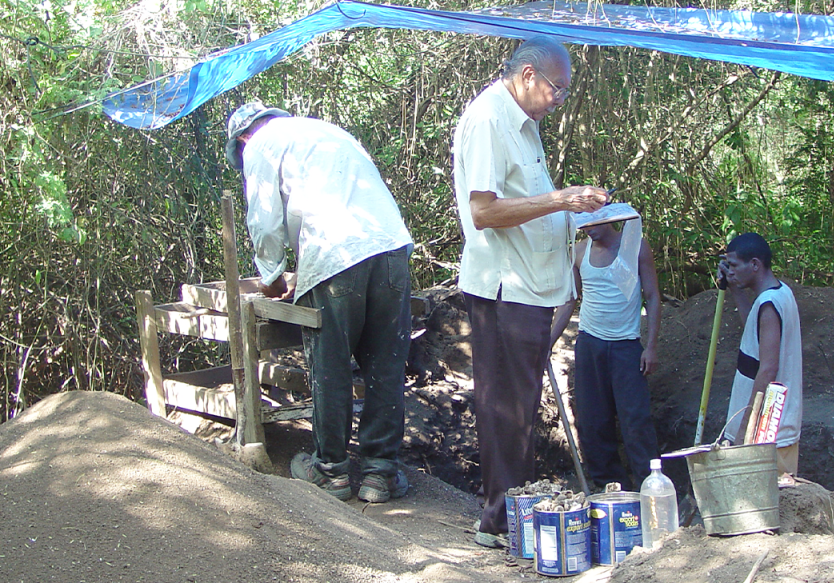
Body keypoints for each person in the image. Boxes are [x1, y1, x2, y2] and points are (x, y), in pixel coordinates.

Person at [451, 36, 608, 548]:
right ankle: (499, 522)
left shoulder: (525, 122)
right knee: (504, 407)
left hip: (532, 286)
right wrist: (560, 198)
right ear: (526, 76)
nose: (558, 100)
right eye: (556, 90)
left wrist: (571, 209)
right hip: (504, 287)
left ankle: (514, 513)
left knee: (519, 404)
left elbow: (526, 201)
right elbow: (484, 212)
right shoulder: (489, 120)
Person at [225, 102, 413, 503]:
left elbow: (264, 220)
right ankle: (381, 473)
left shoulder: (259, 145)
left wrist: (272, 278)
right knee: (385, 364)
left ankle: (331, 471)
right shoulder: (327, 131)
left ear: (243, 139)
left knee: (330, 364)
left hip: (334, 255)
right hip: (391, 247)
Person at [550, 206, 661, 492]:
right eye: (583, 224)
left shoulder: (635, 247)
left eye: (594, 222)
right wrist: (546, 344)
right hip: (590, 343)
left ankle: (650, 487)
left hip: (626, 346)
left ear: (610, 218)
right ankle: (609, 488)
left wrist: (651, 347)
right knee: (592, 419)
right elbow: (568, 301)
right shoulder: (579, 252)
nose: (588, 228)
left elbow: (652, 296)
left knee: (635, 419)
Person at [717, 232, 803, 485]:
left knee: (769, 509)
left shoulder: (769, 304)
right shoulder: (776, 295)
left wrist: (746, 430)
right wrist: (735, 290)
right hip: (770, 432)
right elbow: (752, 329)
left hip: (767, 433)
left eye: (733, 265)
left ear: (754, 264)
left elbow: (767, 370)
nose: (729, 271)